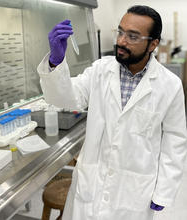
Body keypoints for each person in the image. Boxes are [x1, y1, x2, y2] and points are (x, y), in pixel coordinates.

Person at [37, 5, 187, 220]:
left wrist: (164, 190)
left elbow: (175, 140)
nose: (121, 41)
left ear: (153, 44)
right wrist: (55, 62)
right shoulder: (100, 70)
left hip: (133, 194)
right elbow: (63, 98)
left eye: (133, 36)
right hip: (91, 187)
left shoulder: (169, 85)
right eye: (120, 32)